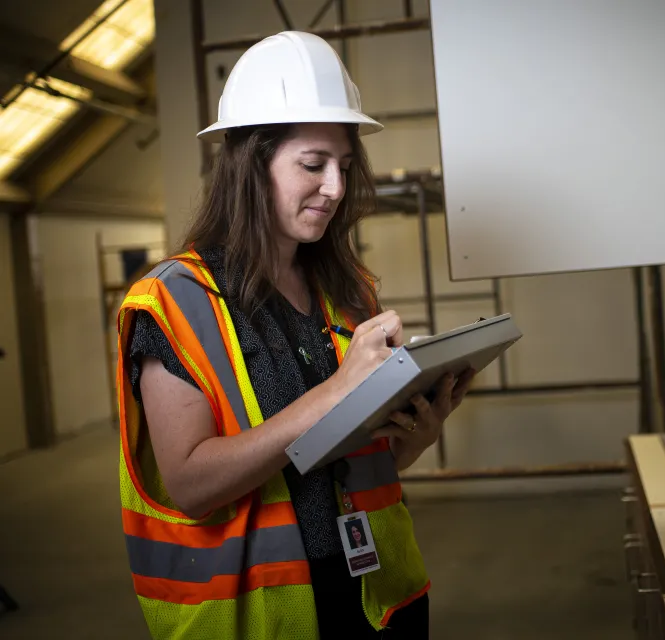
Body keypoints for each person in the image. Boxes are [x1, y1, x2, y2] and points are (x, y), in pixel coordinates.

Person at [116, 31, 475, 639]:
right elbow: (191, 484)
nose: (335, 187)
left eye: (343, 165)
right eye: (313, 164)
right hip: (266, 616)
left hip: (378, 599)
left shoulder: (348, 290)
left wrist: (417, 431)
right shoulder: (174, 302)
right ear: (250, 164)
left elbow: (359, 462)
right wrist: (337, 391)